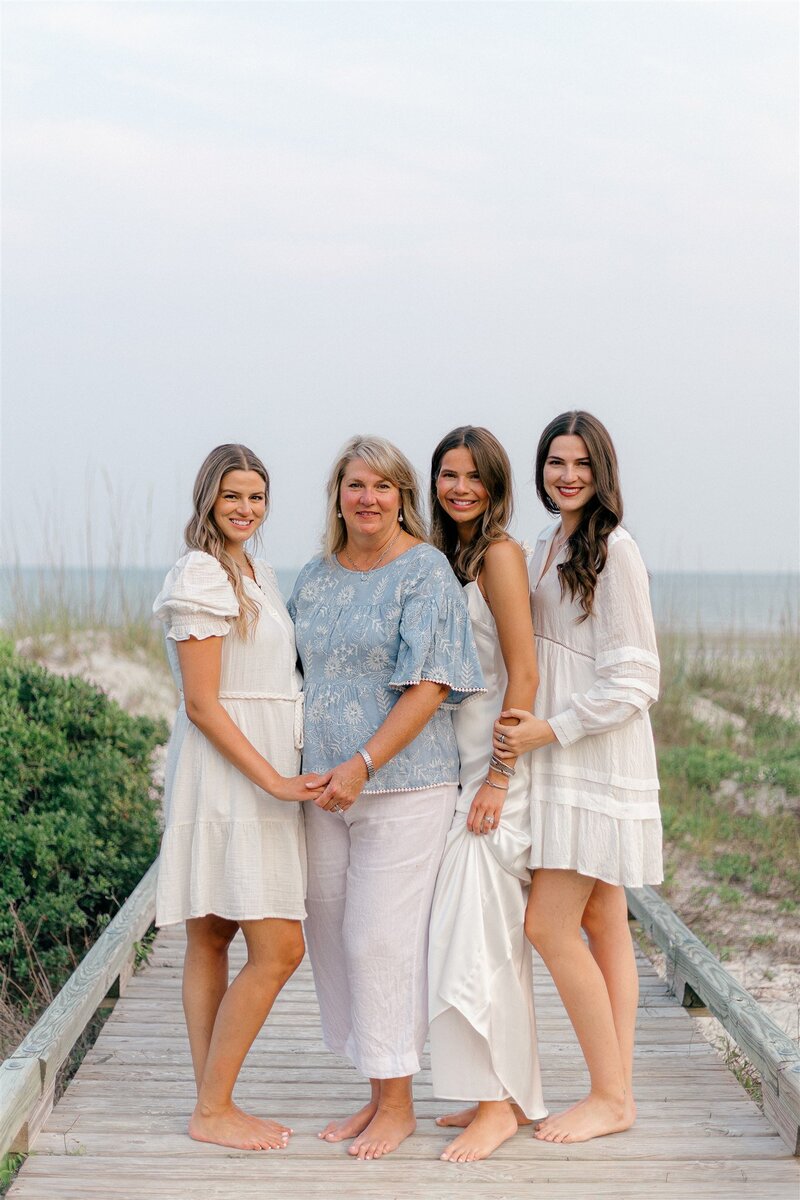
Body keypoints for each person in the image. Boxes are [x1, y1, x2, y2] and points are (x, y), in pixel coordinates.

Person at [288, 435, 484, 1162]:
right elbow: (294, 671)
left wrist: (363, 764)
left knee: (381, 940)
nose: (367, 498)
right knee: (334, 937)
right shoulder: (313, 575)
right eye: (354, 485)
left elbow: (430, 683)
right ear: (338, 495)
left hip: (403, 784)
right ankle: (375, 1091)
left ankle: (398, 1105)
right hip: (321, 790)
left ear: (402, 495)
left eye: (382, 486)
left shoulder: (424, 571)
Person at [492, 411, 662, 1145]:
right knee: (601, 921)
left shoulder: (614, 549)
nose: (567, 475)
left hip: (591, 754)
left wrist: (550, 729)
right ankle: (615, 1086)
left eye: (581, 464)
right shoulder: (546, 542)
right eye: (555, 462)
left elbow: (637, 677)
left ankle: (609, 1096)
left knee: (548, 923)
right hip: (557, 751)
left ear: (603, 471)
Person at [153, 444, 324, 1151]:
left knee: (215, 934)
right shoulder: (200, 573)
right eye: (233, 496)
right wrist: (276, 780)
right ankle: (215, 1106)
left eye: (256, 497)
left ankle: (210, 1102)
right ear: (207, 499)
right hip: (233, 772)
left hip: (255, 761)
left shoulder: (256, 569)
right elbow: (201, 703)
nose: (245, 509)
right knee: (280, 947)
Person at [427, 426, 549, 1163]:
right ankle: (496, 1092)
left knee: (476, 936)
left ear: (497, 484)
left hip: (497, 774)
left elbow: (524, 675)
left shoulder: (500, 555)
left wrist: (500, 779)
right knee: (478, 937)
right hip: (460, 767)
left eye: (475, 476)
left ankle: (499, 1105)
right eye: (448, 473)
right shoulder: (444, 559)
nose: (461, 487)